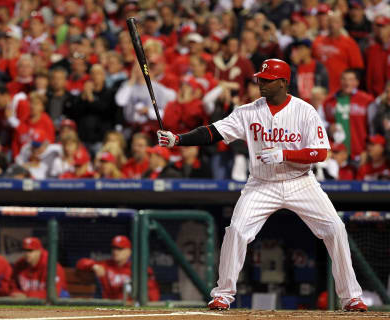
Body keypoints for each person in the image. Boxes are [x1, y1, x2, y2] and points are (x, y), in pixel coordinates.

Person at [157, 59, 367, 312]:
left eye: (267, 80)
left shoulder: (305, 111)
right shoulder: (248, 111)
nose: (261, 83)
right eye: (260, 78)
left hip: (300, 182)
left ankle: (351, 297)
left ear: (283, 82)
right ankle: (223, 294)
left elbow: (321, 153)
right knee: (236, 230)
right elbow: (212, 132)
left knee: (335, 229)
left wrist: (285, 155)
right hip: (261, 184)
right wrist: (178, 139)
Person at [76, 235, 160, 301]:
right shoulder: (106, 264)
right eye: (114, 248)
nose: (115, 252)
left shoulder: (138, 269)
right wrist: (93, 266)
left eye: (120, 249)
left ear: (128, 251)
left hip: (130, 308)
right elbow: (81, 263)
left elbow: (153, 293)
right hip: (108, 306)